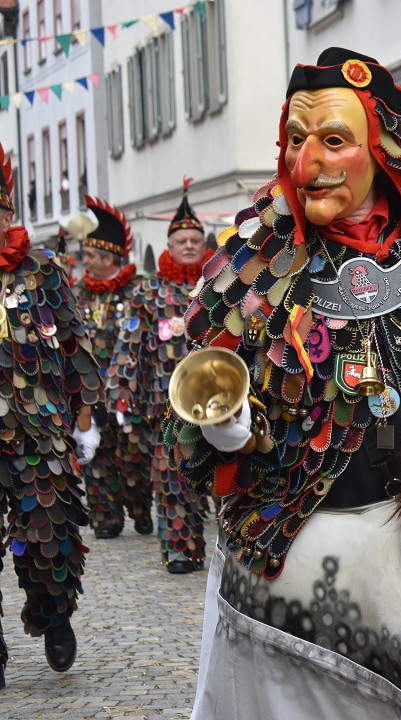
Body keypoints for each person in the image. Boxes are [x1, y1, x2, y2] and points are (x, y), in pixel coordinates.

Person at [164, 48, 401, 716]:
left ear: (378, 148)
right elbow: (205, 386)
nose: (307, 162)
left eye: (333, 140)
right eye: (295, 140)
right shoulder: (253, 254)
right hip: (306, 536)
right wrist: (232, 428)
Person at [0, 140, 101, 683]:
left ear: (8, 213)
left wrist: (84, 416)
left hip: (41, 432)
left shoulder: (44, 269)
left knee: (48, 535)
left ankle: (55, 615)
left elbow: (75, 343)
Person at [114, 181, 215, 574]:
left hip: (219, 401)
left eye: (194, 239)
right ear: (169, 246)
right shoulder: (147, 293)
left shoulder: (218, 285)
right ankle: (181, 550)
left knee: (223, 479)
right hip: (166, 404)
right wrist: (123, 394)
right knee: (172, 480)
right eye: (181, 240)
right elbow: (129, 346)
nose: (188, 245)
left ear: (202, 243)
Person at [73, 196, 154, 540]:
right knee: (97, 457)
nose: (86, 261)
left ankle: (138, 507)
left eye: (91, 256)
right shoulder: (79, 293)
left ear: (108, 258)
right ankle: (105, 517)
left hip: (131, 389)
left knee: (133, 454)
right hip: (91, 390)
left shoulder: (138, 290)